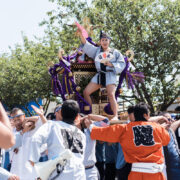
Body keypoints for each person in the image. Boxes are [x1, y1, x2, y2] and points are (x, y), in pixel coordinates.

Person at [85, 103, 170, 180]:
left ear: (134, 115)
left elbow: (103, 133)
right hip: (156, 174)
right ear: (146, 115)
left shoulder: (125, 128)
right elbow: (166, 141)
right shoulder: (158, 128)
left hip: (136, 173)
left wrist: (90, 126)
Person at [29, 100, 86, 180]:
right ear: (77, 116)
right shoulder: (82, 135)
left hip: (59, 175)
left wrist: (33, 161)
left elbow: (35, 139)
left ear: (61, 113)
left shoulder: (52, 125)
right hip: (79, 175)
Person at [77, 28, 126, 120]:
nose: (104, 42)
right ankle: (91, 114)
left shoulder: (115, 52)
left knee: (111, 94)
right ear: (100, 41)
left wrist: (111, 64)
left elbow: (122, 63)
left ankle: (115, 116)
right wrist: (80, 34)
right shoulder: (97, 50)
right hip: (100, 75)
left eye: (106, 40)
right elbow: (85, 44)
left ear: (109, 41)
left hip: (110, 74)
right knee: (86, 92)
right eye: (102, 40)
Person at [9, 105, 47, 180]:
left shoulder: (30, 130)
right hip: (14, 173)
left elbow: (44, 123)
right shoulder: (11, 131)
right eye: (14, 120)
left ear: (24, 116)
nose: (17, 122)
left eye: (19, 119)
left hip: (30, 173)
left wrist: (41, 115)